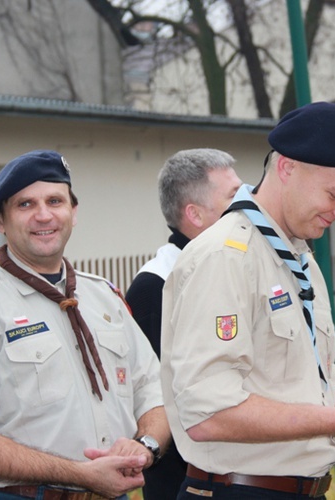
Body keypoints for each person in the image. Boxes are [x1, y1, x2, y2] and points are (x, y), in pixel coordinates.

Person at [160, 101, 335, 499]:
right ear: (287, 167)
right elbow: (208, 414)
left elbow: (316, 379)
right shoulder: (226, 255)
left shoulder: (297, 256)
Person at [0, 150, 171, 500]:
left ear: (73, 213)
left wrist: (143, 446)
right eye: (25, 204)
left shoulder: (104, 297)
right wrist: (81, 474)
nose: (43, 215)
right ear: (1, 221)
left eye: (55, 201)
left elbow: (155, 391)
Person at [125, 148, 241, 499]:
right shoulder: (155, 287)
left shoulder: (233, 267)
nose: (249, 206)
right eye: (235, 197)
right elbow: (162, 400)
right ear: (195, 214)